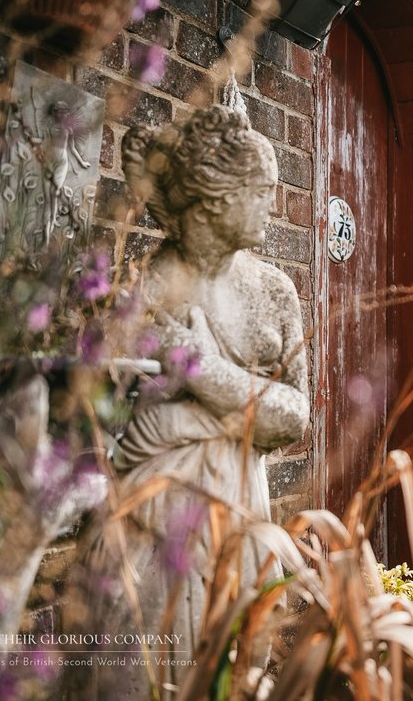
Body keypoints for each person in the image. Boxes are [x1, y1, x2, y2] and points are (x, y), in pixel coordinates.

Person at [77, 106, 310, 699]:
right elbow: (99, 419)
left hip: (240, 513)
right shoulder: (145, 292)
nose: (272, 206)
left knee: (237, 668)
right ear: (213, 200)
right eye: (260, 192)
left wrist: (206, 373)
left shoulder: (274, 293)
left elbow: (294, 419)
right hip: (152, 515)